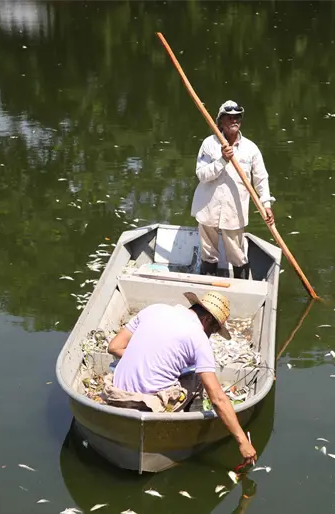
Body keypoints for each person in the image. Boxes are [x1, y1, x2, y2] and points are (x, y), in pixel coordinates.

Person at [103, 290, 257, 468]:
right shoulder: (199, 338)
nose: (210, 335)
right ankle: (190, 423)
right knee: (199, 377)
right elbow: (218, 398)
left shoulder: (153, 310)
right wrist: (242, 441)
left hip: (117, 395)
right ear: (207, 320)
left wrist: (148, 357)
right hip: (149, 406)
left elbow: (114, 346)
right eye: (213, 331)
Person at [191, 100, 276, 279]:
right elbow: (202, 175)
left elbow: (261, 178)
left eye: (237, 117)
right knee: (208, 254)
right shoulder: (209, 144)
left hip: (234, 210)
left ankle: (243, 290)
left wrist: (266, 204)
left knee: (238, 255)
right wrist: (222, 160)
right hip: (208, 207)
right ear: (220, 121)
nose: (234, 121)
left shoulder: (250, 148)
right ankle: (206, 289)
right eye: (229, 118)